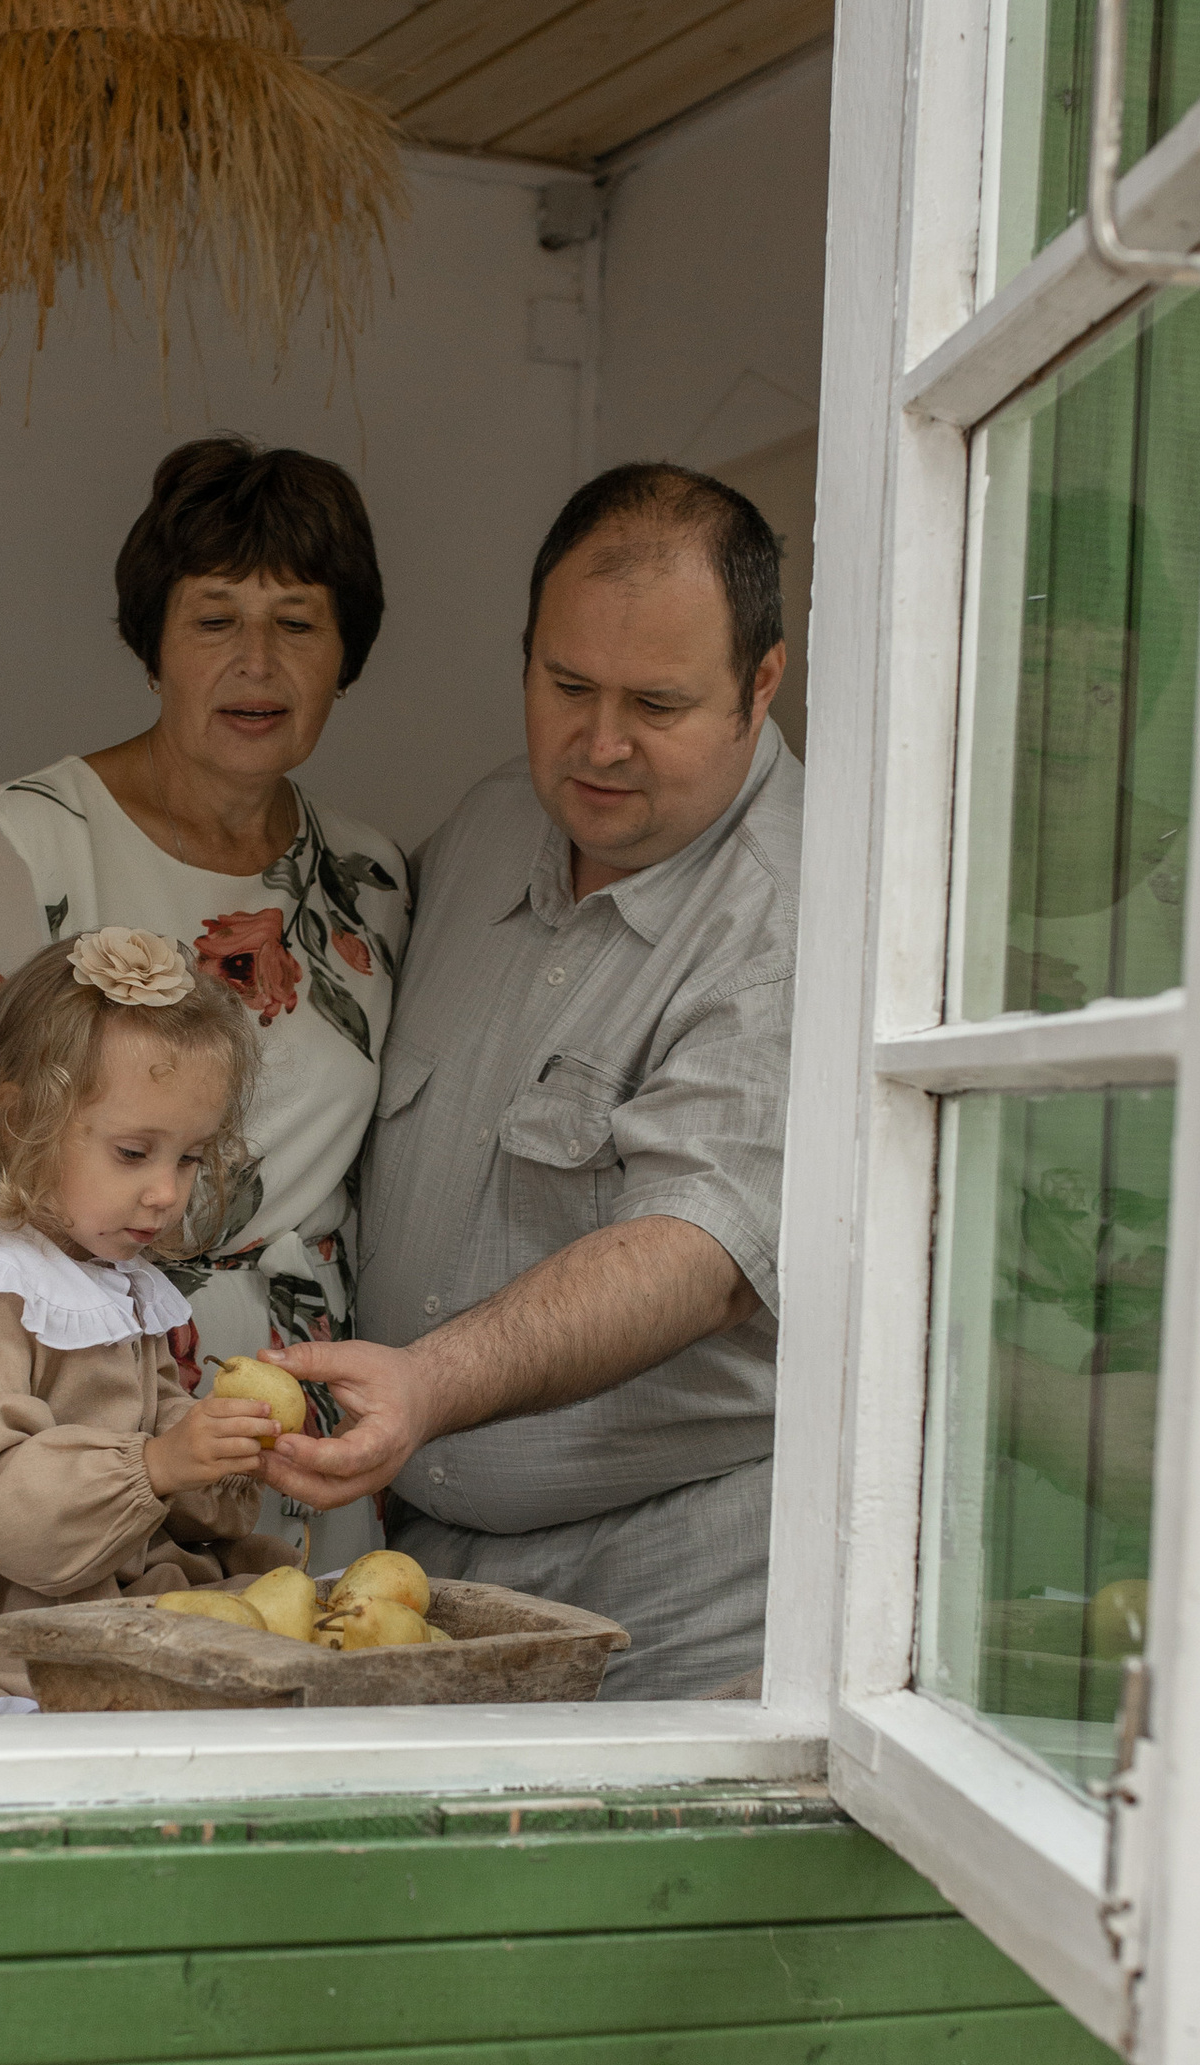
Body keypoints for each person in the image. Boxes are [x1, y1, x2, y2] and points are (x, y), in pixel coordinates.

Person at [262, 463, 798, 1699]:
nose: (598, 745)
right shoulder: (493, 825)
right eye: (566, 687)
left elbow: (698, 1254)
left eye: (657, 704)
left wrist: (430, 1383)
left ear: (759, 685)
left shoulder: (791, 921)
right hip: (416, 1572)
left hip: (677, 1614)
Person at [0, 436, 409, 1371]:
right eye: (215, 620)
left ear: (345, 656)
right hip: (88, 1392)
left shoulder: (374, 878)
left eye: (299, 624)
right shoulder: (27, 840)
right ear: (152, 645)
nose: (257, 663)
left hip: (304, 1396)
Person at [0, 931, 295, 1694]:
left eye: (190, 1158)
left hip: (95, 1582)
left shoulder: (113, 1279)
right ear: (19, 1123)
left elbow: (159, 1436)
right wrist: (158, 1465)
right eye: (134, 1153)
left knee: (267, 1634)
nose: (167, 1192)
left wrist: (219, 1452)